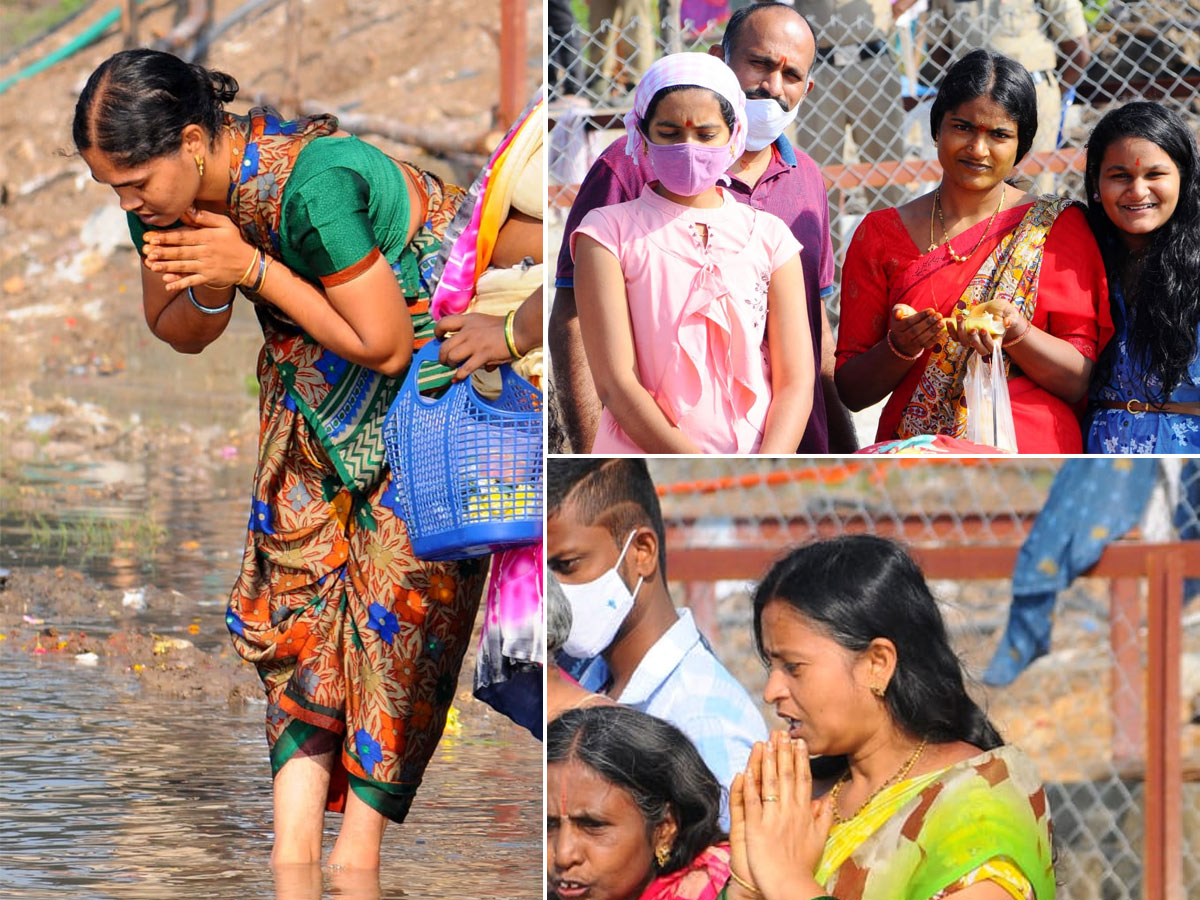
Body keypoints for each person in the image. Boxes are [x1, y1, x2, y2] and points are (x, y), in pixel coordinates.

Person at [73, 49, 485, 869]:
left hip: (431, 398)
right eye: (110, 188)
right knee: (295, 612)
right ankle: (290, 861)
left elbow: (388, 345)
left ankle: (354, 863)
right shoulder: (163, 199)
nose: (127, 204)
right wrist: (217, 281)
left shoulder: (314, 187)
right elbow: (180, 331)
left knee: (398, 622)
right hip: (312, 396)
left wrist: (252, 266)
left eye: (133, 183)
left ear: (193, 142)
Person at [550, 1, 858, 454]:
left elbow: (815, 334)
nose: (773, 87)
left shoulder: (806, 179)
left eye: (791, 76)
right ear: (720, 60)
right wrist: (590, 448)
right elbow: (577, 321)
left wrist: (838, 446)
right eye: (759, 64)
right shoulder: (625, 170)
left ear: (807, 87)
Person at [727, 535, 1056, 900]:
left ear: (877, 664)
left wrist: (787, 880)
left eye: (793, 667)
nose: (771, 690)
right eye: (770, 665)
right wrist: (746, 888)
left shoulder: (976, 805)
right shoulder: (802, 804)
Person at [835, 49, 1112, 453]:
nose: (978, 149)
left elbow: (1078, 379)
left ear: (1022, 145)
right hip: (921, 452)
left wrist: (1017, 333)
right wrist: (901, 348)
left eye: (999, 135)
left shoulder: (1055, 227)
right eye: (962, 127)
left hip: (1027, 446)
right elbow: (853, 392)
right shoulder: (880, 234)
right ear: (937, 129)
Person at [547, 457, 767, 824]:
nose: (551, 590)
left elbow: (721, 875)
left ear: (642, 552)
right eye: (543, 569)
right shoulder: (583, 673)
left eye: (567, 565)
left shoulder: (706, 723)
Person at [1082, 101, 1200, 452]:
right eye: (1120, 176)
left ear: (1184, 177)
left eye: (1155, 175)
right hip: (1097, 462)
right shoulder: (1080, 255)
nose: (1137, 191)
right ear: (1096, 184)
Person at [548, 705, 732, 900]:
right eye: (548, 825)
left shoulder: (732, 889)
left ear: (664, 829)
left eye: (593, 825)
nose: (563, 855)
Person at [928, 0, 1091, 189]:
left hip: (1036, 94)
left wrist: (1044, 95)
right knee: (973, 182)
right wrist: (966, 85)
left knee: (1033, 186)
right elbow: (937, 50)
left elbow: (1078, 52)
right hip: (970, 99)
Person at [791, 0, 909, 211]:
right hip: (818, 68)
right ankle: (824, 242)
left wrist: (897, 9)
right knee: (819, 170)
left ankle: (892, 240)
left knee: (885, 166)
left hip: (872, 64)